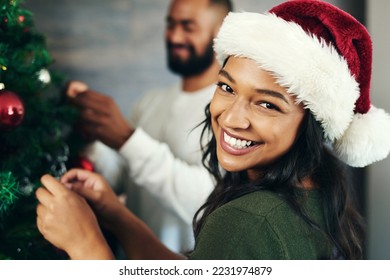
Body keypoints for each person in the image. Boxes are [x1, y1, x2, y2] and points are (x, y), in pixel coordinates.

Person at [36, 0, 390, 259]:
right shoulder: (315, 194)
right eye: (227, 87)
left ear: (312, 124)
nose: (232, 118)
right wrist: (115, 213)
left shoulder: (245, 221)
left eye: (267, 104)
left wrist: (84, 244)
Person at [66, 0, 233, 253]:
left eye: (188, 26)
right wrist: (93, 133)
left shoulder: (230, 110)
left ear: (220, 31)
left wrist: (126, 138)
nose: (175, 36)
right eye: (170, 24)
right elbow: (118, 179)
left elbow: (210, 200)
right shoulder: (150, 101)